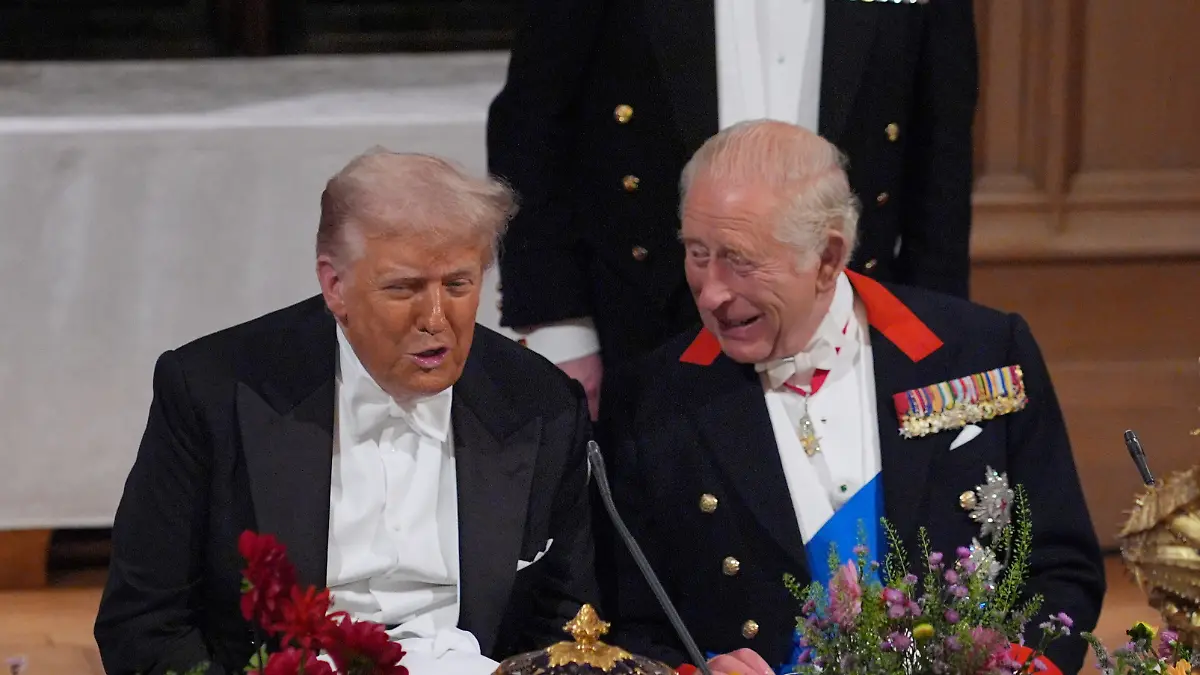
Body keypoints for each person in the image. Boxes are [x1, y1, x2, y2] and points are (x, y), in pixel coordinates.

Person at [600, 121, 1104, 674]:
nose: (713, 291)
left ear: (828, 257)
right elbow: (631, 621)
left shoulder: (980, 351)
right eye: (698, 254)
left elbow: (1060, 567)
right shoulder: (651, 399)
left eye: (740, 260)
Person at [94, 151, 599, 675]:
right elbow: (144, 623)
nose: (435, 318)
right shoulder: (212, 392)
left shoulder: (541, 404)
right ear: (334, 285)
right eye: (403, 288)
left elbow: (566, 624)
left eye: (457, 284)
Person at [487, 0, 978, 417]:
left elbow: (942, 155)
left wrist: (928, 337)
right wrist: (561, 331)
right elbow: (532, 124)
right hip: (644, 327)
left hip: (853, 320)